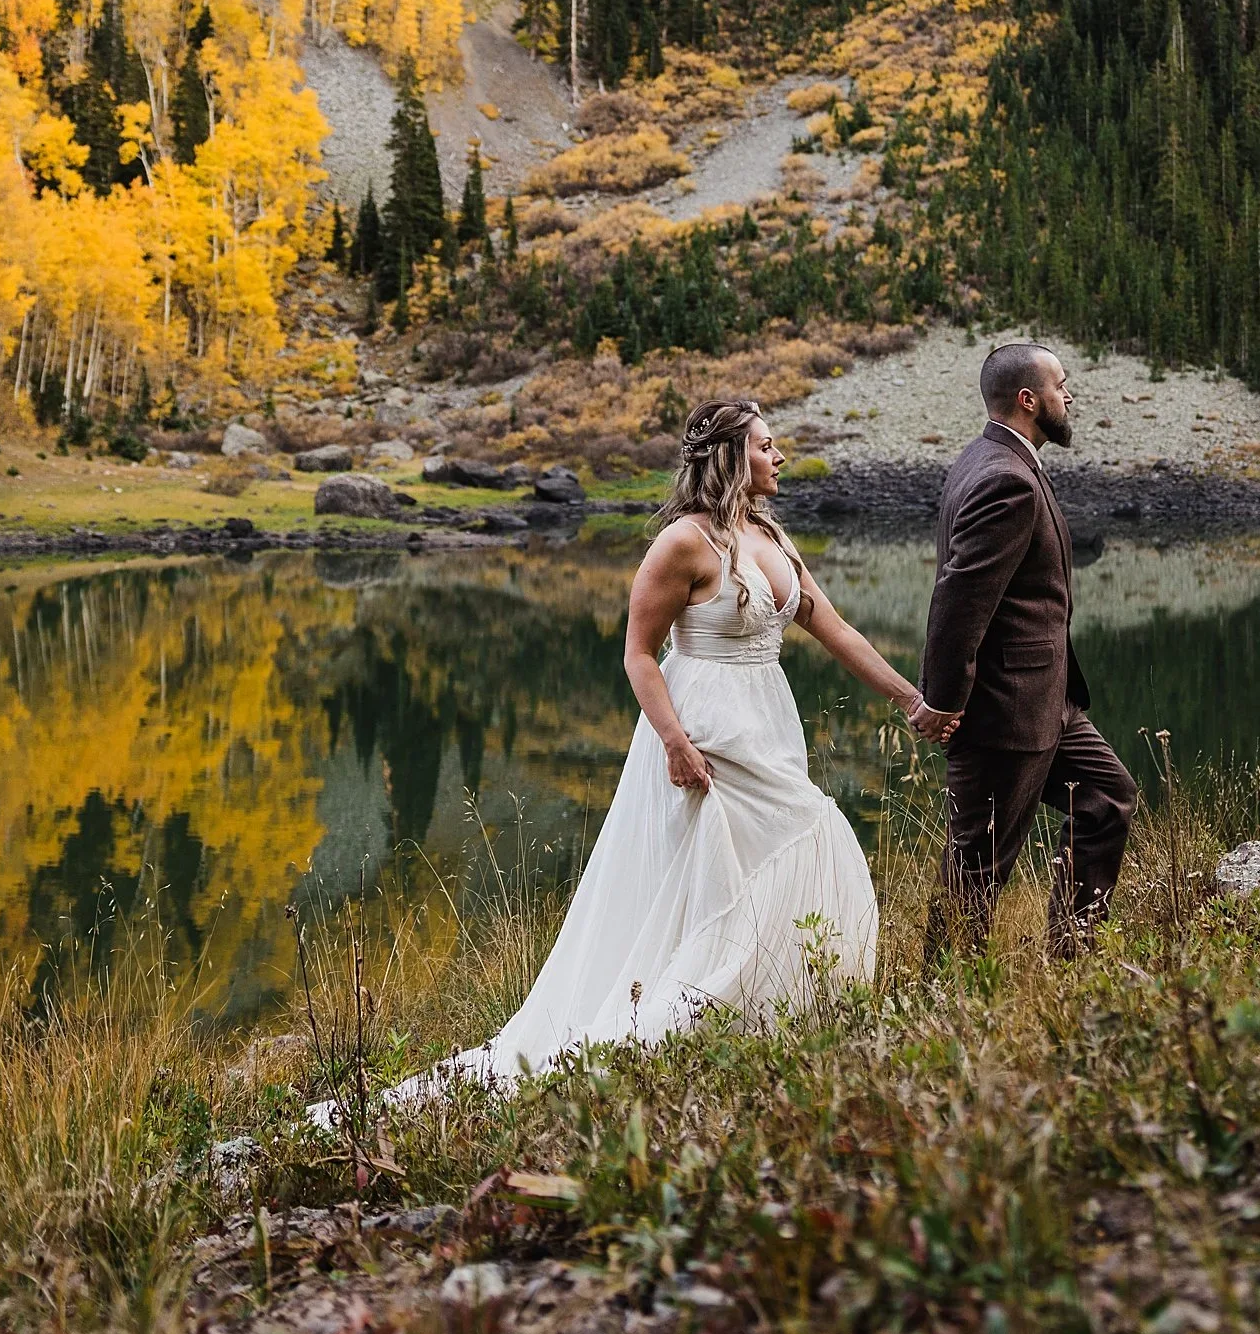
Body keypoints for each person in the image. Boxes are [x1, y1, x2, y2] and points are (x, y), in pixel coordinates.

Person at [361, 395, 942, 1101]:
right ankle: (679, 1024)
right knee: (717, 877)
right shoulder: (683, 543)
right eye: (764, 445)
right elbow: (638, 653)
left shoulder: (773, 538)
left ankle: (765, 1019)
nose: (778, 455)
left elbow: (838, 630)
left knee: (807, 845)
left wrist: (910, 699)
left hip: (768, 724)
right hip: (703, 726)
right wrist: (673, 740)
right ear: (731, 457)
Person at [915, 341, 1137, 964]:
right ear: (1028, 399)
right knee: (979, 866)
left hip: (1049, 700)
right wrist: (943, 703)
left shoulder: (997, 461)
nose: (1070, 398)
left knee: (1106, 798)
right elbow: (960, 601)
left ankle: (1070, 956)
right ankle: (939, 998)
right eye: (1063, 386)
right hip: (1002, 714)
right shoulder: (1005, 479)